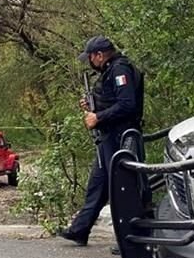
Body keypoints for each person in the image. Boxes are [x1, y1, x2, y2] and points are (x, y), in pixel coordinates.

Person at [58, 36, 147, 246]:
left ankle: (131, 238)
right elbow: (112, 100)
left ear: (99, 55)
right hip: (108, 138)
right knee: (97, 185)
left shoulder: (119, 70)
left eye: (90, 57)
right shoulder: (110, 71)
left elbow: (127, 105)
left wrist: (98, 117)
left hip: (120, 138)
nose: (89, 62)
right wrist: (93, 104)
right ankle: (80, 230)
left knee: (123, 188)